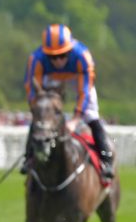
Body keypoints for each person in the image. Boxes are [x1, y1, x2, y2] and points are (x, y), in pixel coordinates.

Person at [23, 23, 114, 179]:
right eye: (52, 57)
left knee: (91, 116)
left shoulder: (82, 56)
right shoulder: (36, 60)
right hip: (51, 79)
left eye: (63, 55)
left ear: (70, 50)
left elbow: (84, 91)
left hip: (77, 77)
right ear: (45, 54)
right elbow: (31, 90)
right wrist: (37, 111)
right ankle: (29, 158)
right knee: (41, 118)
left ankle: (106, 159)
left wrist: (75, 119)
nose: (58, 61)